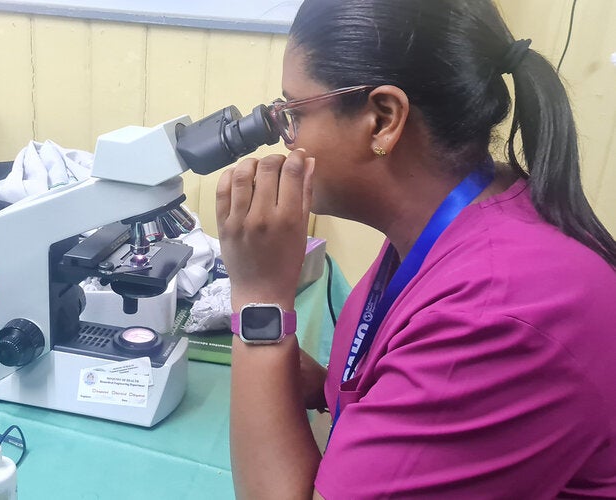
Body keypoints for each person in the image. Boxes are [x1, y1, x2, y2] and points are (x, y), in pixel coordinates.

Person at [214, 0, 616, 498]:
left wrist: (260, 296)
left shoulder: (499, 312)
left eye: (293, 113)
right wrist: (325, 387)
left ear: (383, 119)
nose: (285, 140)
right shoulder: (457, 217)